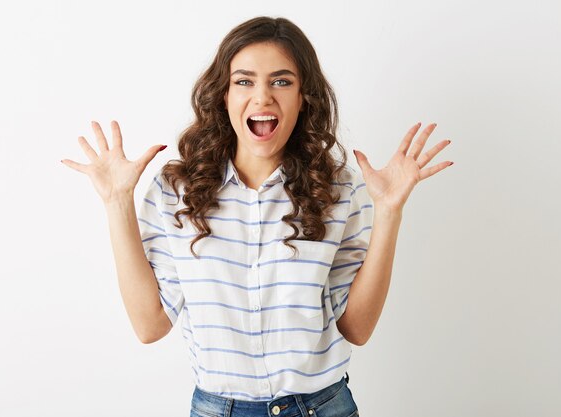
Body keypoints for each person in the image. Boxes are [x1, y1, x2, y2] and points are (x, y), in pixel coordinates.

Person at [62, 15, 452, 417]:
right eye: (244, 81)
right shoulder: (176, 190)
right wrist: (117, 202)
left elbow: (357, 328)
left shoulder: (338, 189)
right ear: (223, 96)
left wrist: (388, 212)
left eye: (281, 81)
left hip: (322, 406)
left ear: (303, 98)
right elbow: (149, 325)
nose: (263, 97)